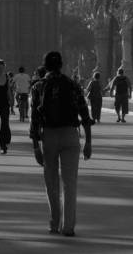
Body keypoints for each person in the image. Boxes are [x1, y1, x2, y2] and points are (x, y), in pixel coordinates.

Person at [30, 51, 93, 238]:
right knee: (70, 183)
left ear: (46, 66)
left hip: (49, 136)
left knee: (51, 183)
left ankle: (54, 223)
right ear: (62, 65)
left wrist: (35, 145)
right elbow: (84, 114)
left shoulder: (38, 87)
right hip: (70, 135)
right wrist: (88, 141)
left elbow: (35, 120)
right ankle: (69, 227)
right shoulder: (72, 85)